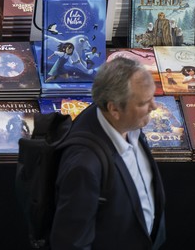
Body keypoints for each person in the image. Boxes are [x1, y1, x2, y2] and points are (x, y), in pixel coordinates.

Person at [51, 57, 166, 250]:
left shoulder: (127, 123)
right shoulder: (85, 166)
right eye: (144, 102)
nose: (154, 107)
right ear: (114, 109)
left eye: (152, 97)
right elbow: (71, 243)